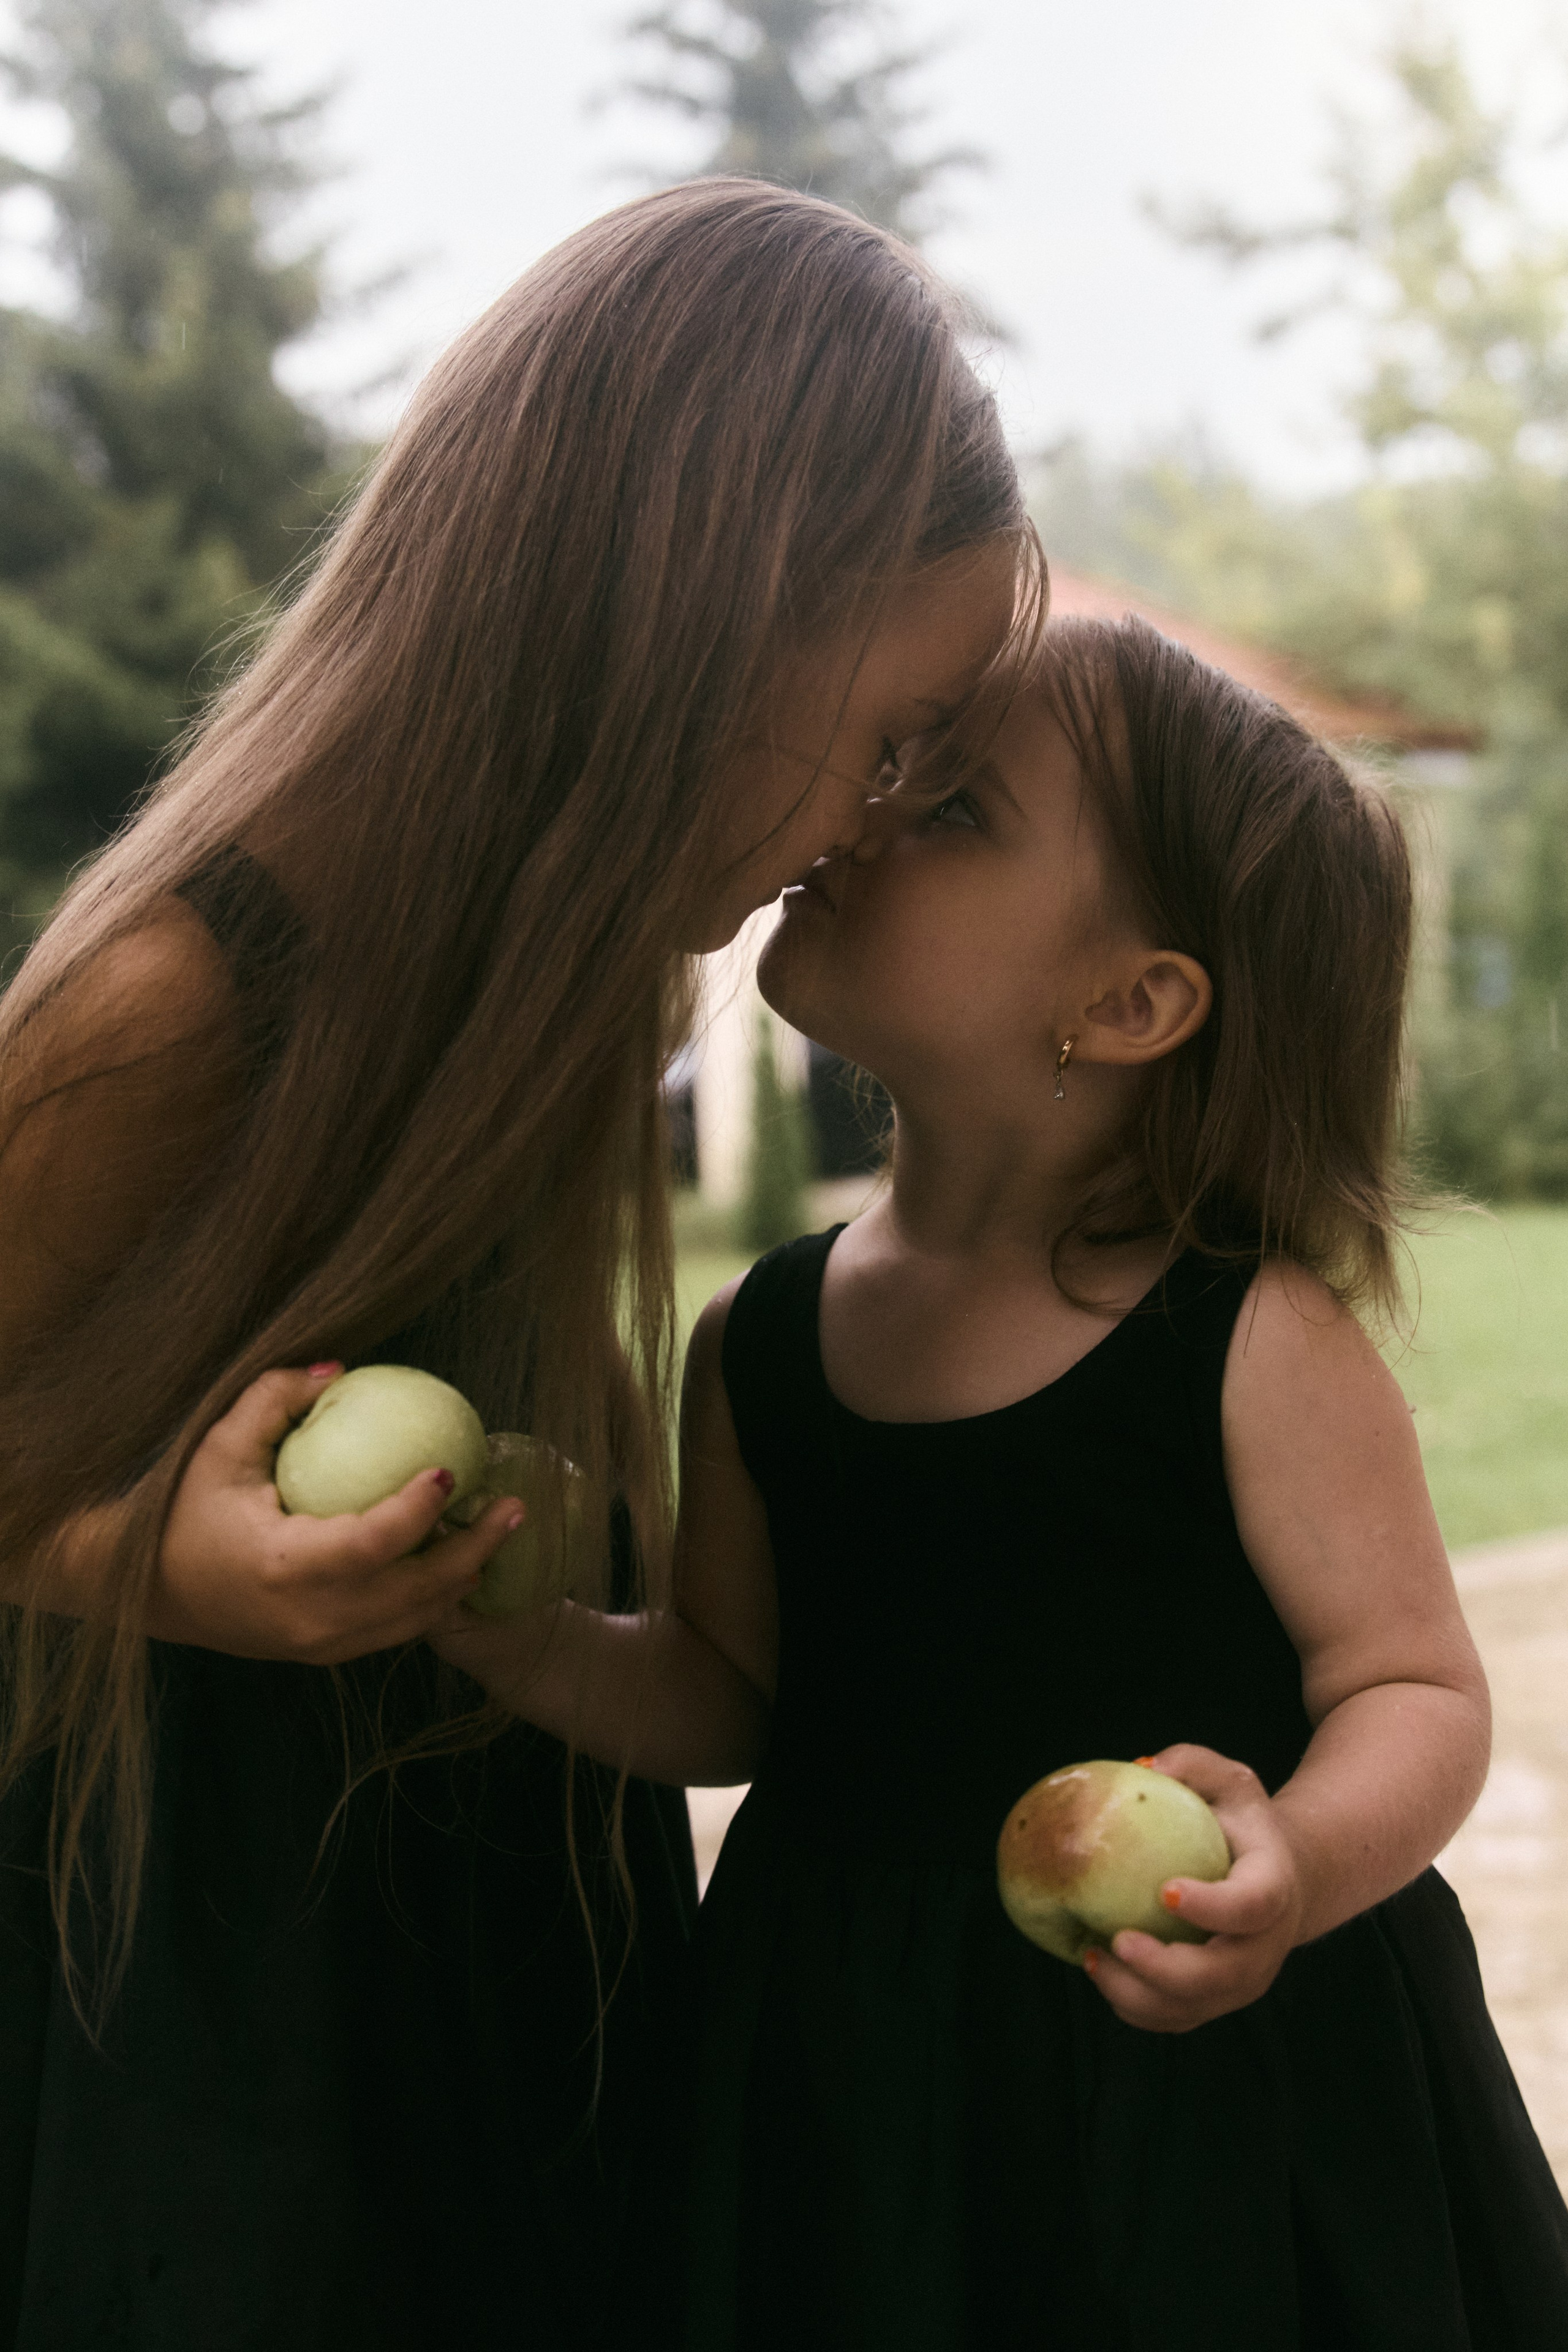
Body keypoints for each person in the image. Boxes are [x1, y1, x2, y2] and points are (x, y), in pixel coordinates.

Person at [0, 179, 1033, 2351]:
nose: (866, 825)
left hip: (499, 1962)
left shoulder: (548, 992)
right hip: (216, 2037)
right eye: (879, 743)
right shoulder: (173, 1010)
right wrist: (157, 1565)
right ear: (685, 632)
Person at [441, 612, 1568, 2349]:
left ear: (1127, 1004)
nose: (862, 814)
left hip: (1196, 2080)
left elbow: (1415, 1686)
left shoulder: (1243, 1339)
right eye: (899, 767)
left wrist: (1293, 1864)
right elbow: (731, 1692)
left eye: (953, 807)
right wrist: (518, 1637)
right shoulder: (761, 1337)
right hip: (855, 2070)